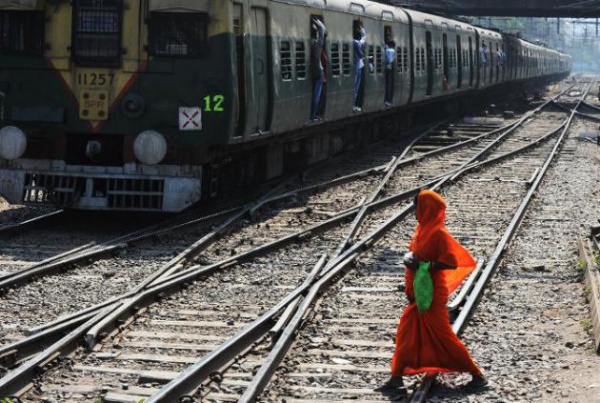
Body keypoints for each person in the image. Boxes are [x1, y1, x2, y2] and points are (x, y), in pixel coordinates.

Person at [378, 189, 487, 394]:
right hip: (418, 293)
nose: (415, 213)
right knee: (406, 333)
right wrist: (409, 257)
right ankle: (396, 377)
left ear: (427, 209)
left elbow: (450, 263)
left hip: (432, 294)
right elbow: (416, 254)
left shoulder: (438, 234)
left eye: (417, 208)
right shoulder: (421, 230)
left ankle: (477, 375)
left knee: (443, 336)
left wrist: (421, 264)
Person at [309, 17, 327, 121]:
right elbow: (323, 29)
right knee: (317, 94)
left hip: (312, 71)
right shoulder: (317, 45)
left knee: (314, 93)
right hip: (318, 72)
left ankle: (312, 114)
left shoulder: (310, 43)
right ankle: (313, 115)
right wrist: (316, 21)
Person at [352, 24, 366, 112]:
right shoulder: (356, 43)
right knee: (355, 87)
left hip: (359, 66)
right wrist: (363, 31)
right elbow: (364, 39)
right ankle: (353, 105)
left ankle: (355, 104)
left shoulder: (356, 42)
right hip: (357, 66)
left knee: (357, 87)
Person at [384, 40, 395, 106]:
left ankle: (387, 99)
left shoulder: (389, 50)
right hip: (389, 68)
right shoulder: (392, 50)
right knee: (389, 84)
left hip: (388, 68)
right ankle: (388, 100)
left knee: (388, 84)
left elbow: (390, 60)